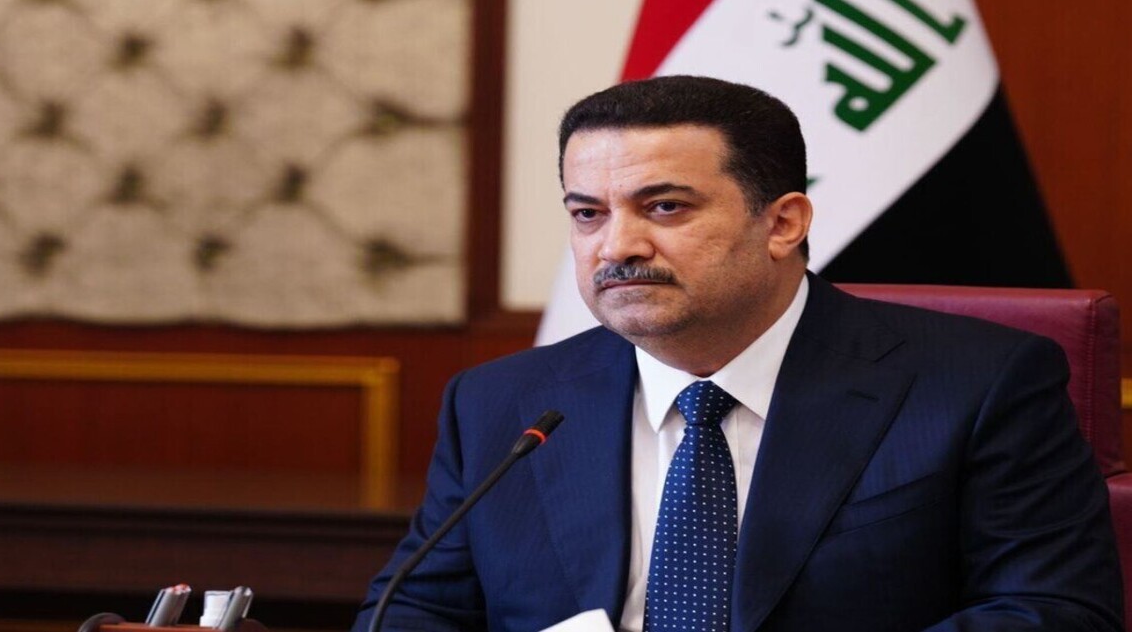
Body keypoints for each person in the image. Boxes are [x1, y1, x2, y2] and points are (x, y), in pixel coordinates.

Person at [353, 76, 1123, 631]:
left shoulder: (978, 384)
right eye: (588, 214)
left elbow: (1052, 610)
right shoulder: (504, 402)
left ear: (782, 223)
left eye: (664, 206)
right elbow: (414, 610)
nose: (616, 246)